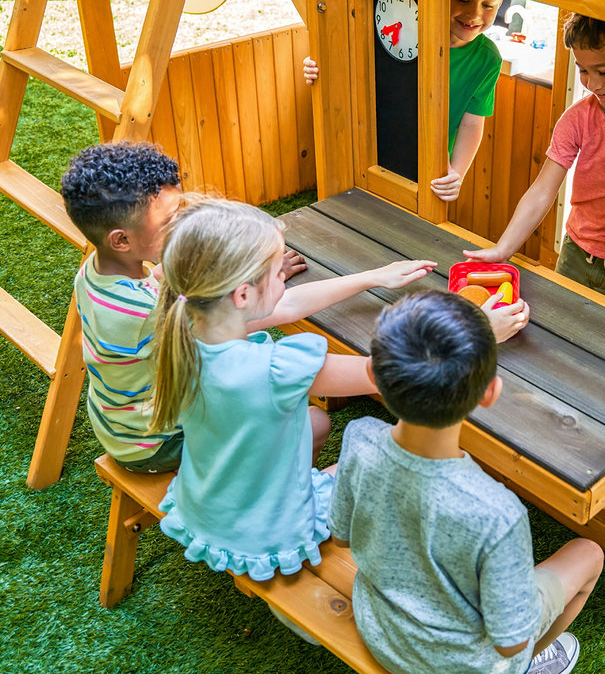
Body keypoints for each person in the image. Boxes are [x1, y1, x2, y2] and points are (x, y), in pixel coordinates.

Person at [149, 197, 435, 589]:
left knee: (316, 422)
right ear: (242, 296)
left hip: (208, 509)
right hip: (272, 532)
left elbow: (290, 304)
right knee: (392, 455)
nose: (284, 278)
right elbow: (391, 374)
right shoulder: (274, 370)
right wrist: (476, 326)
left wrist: (374, 276)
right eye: (276, 272)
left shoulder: (186, 326)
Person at [328, 290, 605, 674]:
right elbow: (510, 642)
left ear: (373, 375)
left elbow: (341, 537)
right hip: (469, 666)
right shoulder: (499, 513)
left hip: (380, 631)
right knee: (589, 553)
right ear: (490, 392)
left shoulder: (359, 437)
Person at [465, 15, 605, 298]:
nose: (593, 84)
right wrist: (503, 249)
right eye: (583, 71)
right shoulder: (578, 118)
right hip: (575, 256)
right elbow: (542, 190)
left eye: (604, 71)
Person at [304, 0, 505, 202]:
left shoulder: (487, 59)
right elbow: (351, 57)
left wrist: (456, 173)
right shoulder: (402, 26)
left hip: (426, 166)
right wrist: (317, 67)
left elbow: (472, 123)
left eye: (488, 5)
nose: (474, 14)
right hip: (369, 147)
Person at [61, 142, 184, 473]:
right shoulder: (142, 313)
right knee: (294, 419)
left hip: (118, 424)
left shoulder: (94, 271)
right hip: (157, 444)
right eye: (169, 220)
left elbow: (155, 280)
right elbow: (221, 330)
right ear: (122, 240)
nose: (181, 224)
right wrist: (254, 279)